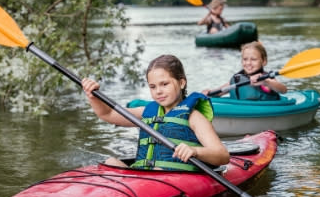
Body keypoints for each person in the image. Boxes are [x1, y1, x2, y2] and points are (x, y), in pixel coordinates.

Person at [81, 54, 230, 171]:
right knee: (111, 162)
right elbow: (107, 114)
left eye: (164, 84)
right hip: (146, 177)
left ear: (181, 82)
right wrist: (93, 96)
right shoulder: (146, 112)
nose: (158, 91)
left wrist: (195, 151)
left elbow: (222, 155)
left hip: (174, 179)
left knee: (159, 169)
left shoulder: (193, 117)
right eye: (153, 87)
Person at [203, 41, 287, 100]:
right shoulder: (237, 79)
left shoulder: (266, 78)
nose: (248, 63)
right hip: (239, 111)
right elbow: (219, 92)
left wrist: (266, 82)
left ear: (264, 61)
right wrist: (209, 92)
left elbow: (283, 90)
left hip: (263, 112)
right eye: (245, 59)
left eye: (253, 59)